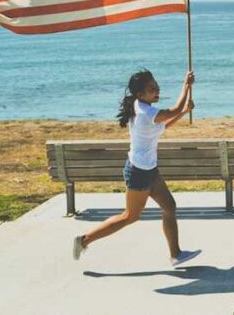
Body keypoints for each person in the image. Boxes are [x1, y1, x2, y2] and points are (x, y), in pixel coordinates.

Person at [72, 69, 201, 267]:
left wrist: (184, 112)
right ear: (140, 94)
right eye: (151, 89)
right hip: (138, 172)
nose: (157, 90)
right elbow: (172, 111)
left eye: (156, 86)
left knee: (169, 207)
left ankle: (176, 254)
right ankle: (84, 240)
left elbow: (163, 125)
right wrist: (186, 86)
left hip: (149, 169)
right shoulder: (145, 112)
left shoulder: (142, 107)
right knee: (130, 216)